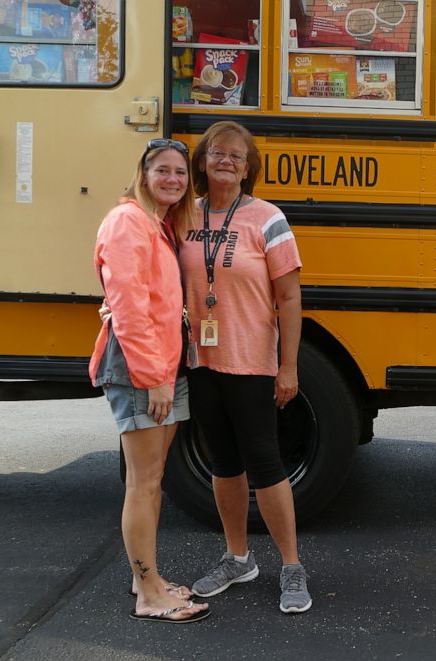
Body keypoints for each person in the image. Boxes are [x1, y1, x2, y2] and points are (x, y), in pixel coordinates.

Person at [182, 120, 311, 614]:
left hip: (253, 361)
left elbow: (290, 296)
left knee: (266, 463)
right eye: (218, 153)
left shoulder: (266, 217)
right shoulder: (184, 215)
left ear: (249, 166)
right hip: (202, 359)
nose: (227, 162)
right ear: (203, 160)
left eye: (238, 156)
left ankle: (292, 566)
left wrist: (289, 366)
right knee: (223, 463)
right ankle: (238, 558)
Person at [89, 138, 209, 623]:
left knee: (154, 480)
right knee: (142, 483)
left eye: (181, 173)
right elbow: (130, 309)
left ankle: (149, 577)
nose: (173, 180)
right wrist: (154, 378)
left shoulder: (158, 225)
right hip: (144, 368)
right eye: (163, 170)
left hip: (164, 365)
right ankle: (148, 594)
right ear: (143, 172)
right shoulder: (127, 222)